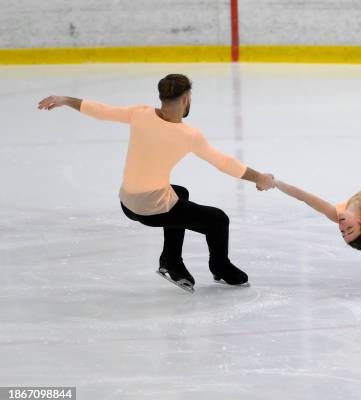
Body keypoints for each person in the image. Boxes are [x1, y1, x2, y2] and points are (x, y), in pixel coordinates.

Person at [38, 74, 275, 292]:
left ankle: (170, 259)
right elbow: (224, 163)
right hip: (150, 209)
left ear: (161, 97)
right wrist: (260, 178)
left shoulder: (140, 113)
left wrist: (64, 99)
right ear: (185, 99)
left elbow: (102, 111)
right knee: (218, 220)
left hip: (127, 200)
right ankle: (220, 267)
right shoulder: (189, 135)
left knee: (179, 193)